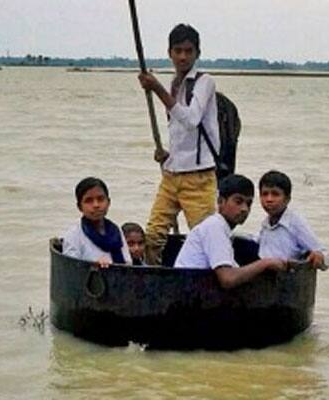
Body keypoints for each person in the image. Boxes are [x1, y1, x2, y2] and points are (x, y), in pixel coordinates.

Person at [138, 23, 220, 265]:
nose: (183, 56)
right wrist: (167, 153)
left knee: (205, 240)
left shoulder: (204, 82)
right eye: (178, 51)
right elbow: (179, 131)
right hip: (172, 174)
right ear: (169, 53)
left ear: (197, 53)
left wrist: (156, 89)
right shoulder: (174, 82)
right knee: (153, 236)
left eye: (188, 51)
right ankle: (153, 282)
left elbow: (191, 119)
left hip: (199, 176)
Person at [174, 174, 289, 289]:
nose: (244, 209)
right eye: (238, 202)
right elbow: (228, 279)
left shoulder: (222, 228)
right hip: (187, 292)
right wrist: (265, 263)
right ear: (221, 202)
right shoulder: (215, 227)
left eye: (248, 204)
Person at [257, 170, 329, 269]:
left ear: (287, 199)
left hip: (288, 279)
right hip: (266, 279)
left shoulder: (295, 223)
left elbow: (325, 255)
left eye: (275, 194)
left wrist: (320, 257)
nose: (269, 199)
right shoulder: (266, 224)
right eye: (264, 194)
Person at [62, 177, 132, 268]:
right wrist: (93, 266)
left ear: (108, 202)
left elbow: (128, 264)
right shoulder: (73, 236)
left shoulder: (115, 231)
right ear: (79, 207)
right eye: (89, 201)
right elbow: (70, 269)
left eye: (100, 199)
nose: (96, 205)